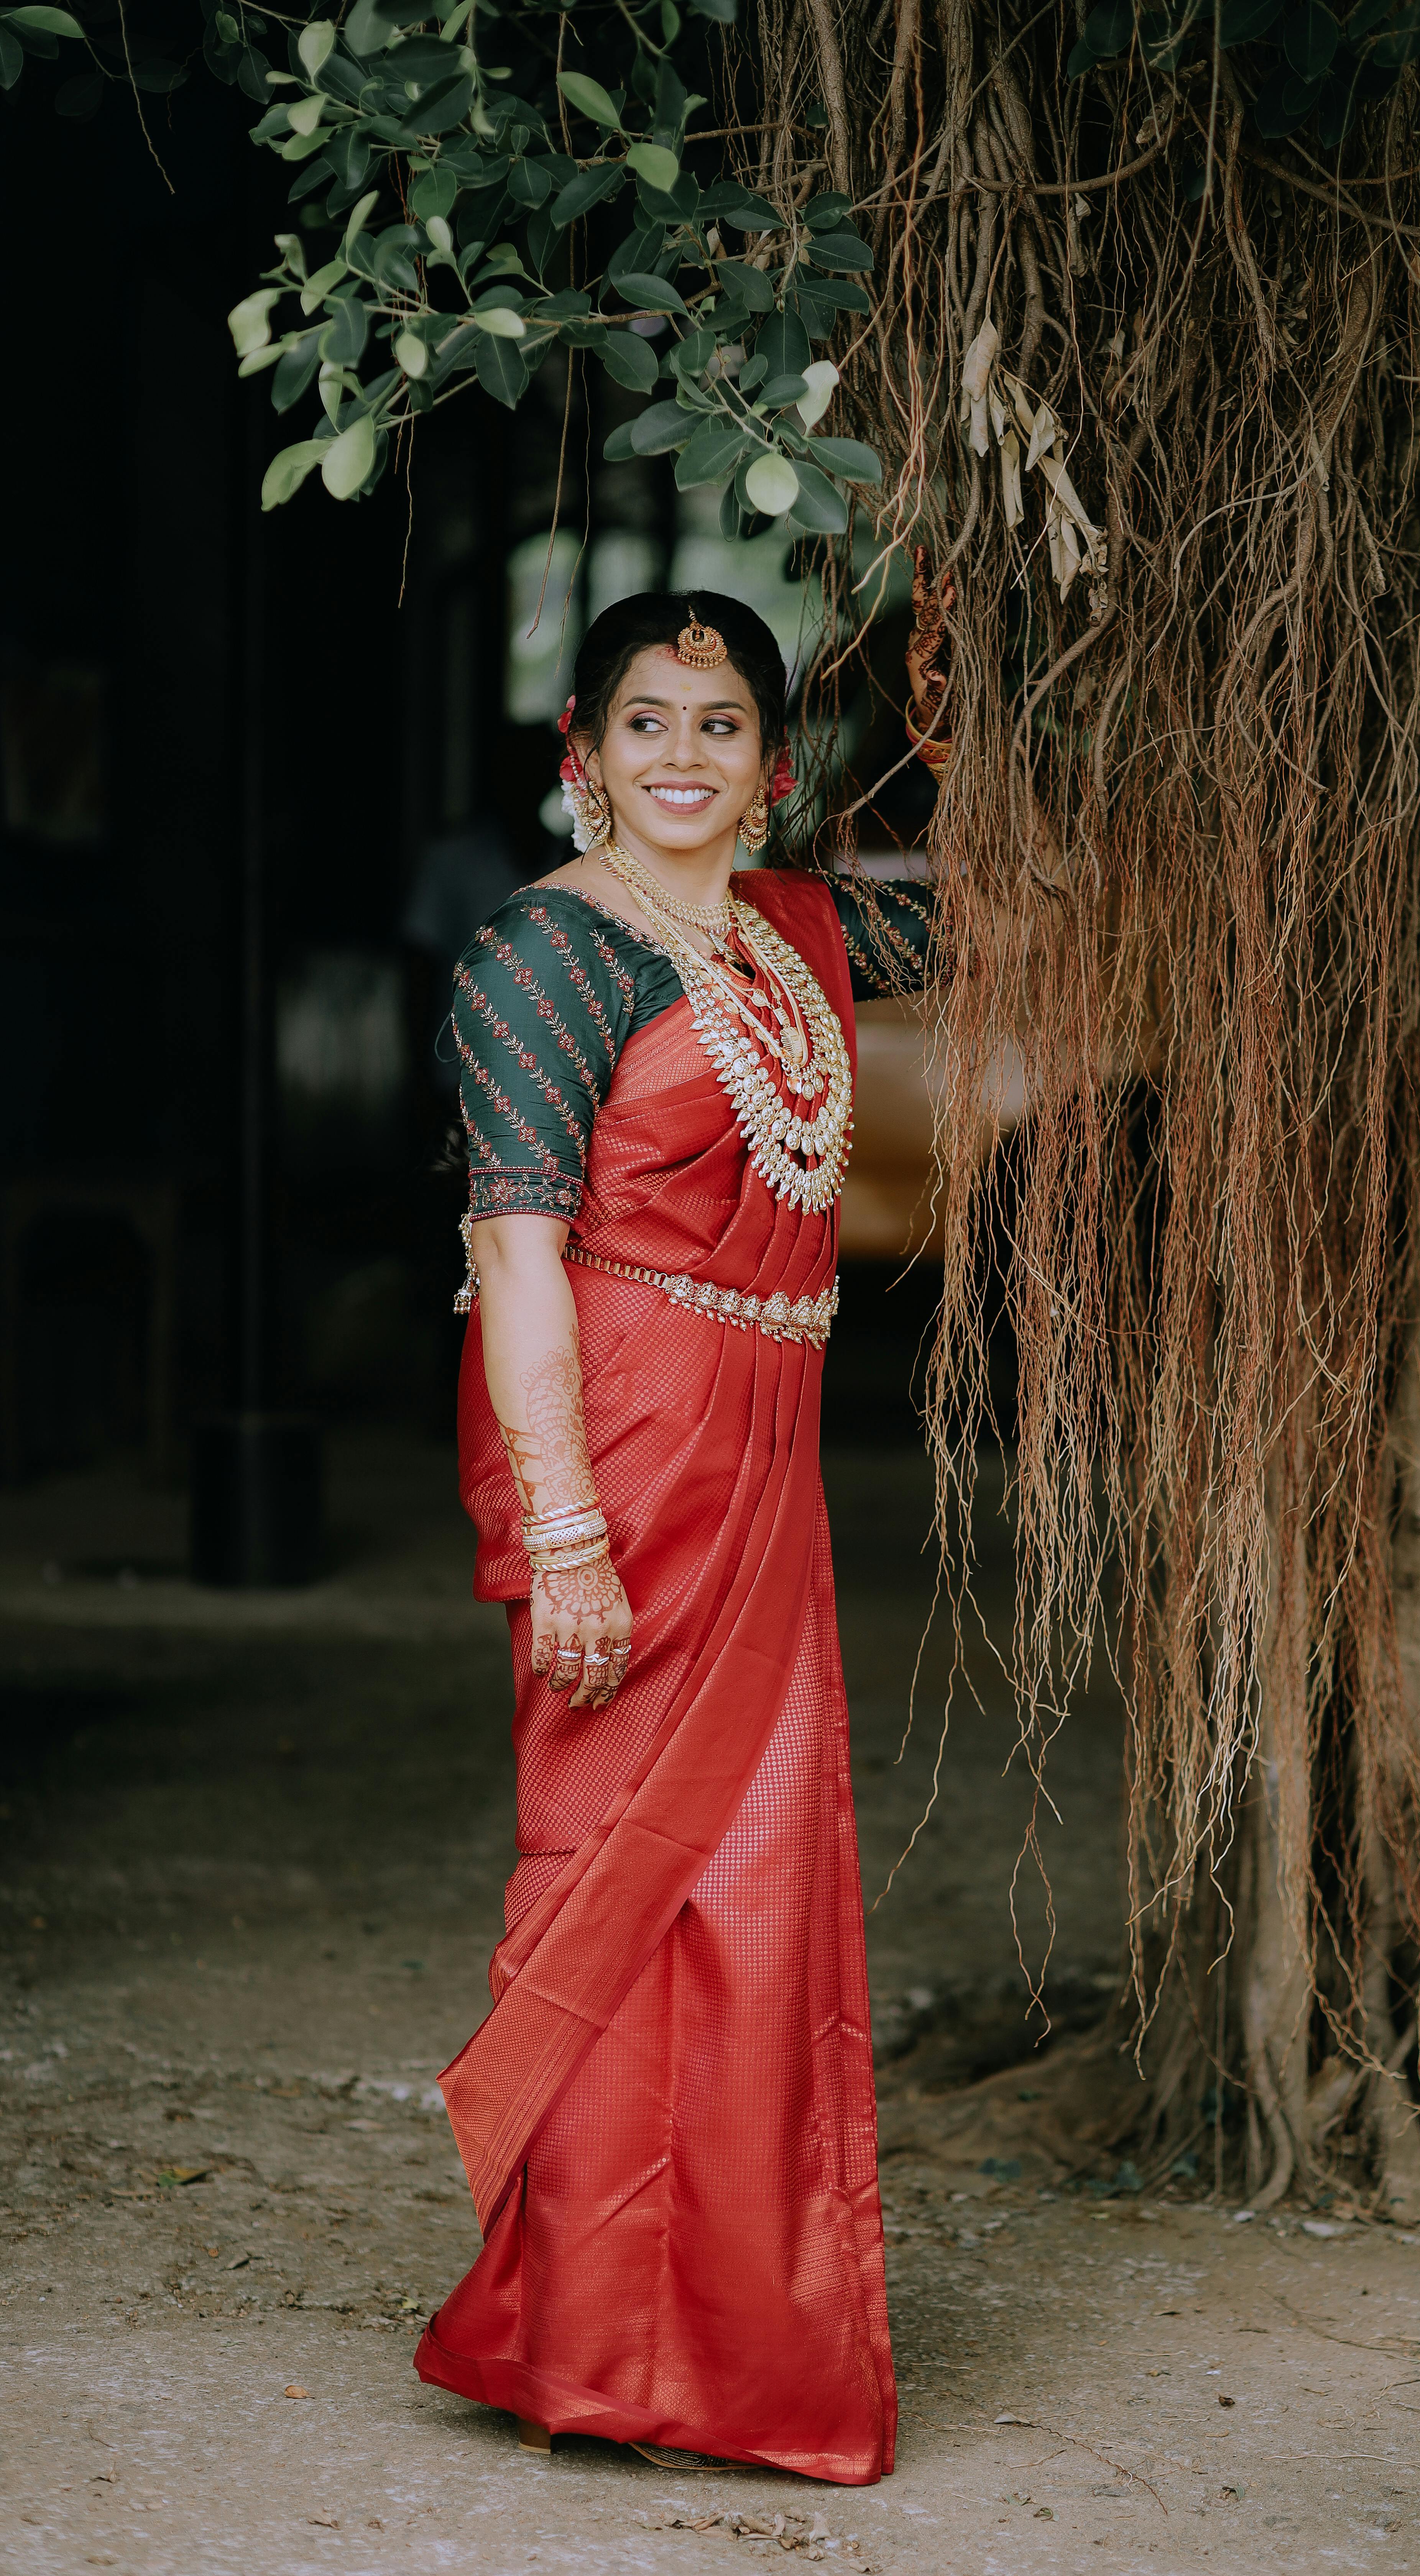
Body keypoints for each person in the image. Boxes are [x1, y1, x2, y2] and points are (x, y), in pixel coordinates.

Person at [413, 583, 946, 2484]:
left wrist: (959, 662)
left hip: (767, 1451)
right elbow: (514, 1249)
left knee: (756, 1885)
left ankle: (723, 2334)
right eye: (647, 720)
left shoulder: (795, 931)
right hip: (624, 1450)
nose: (683, 757)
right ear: (582, 752)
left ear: (772, 765)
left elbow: (998, 893)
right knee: (624, 1871)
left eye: (721, 725)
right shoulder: (545, 961)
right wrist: (566, 1531)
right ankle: (586, 2341)